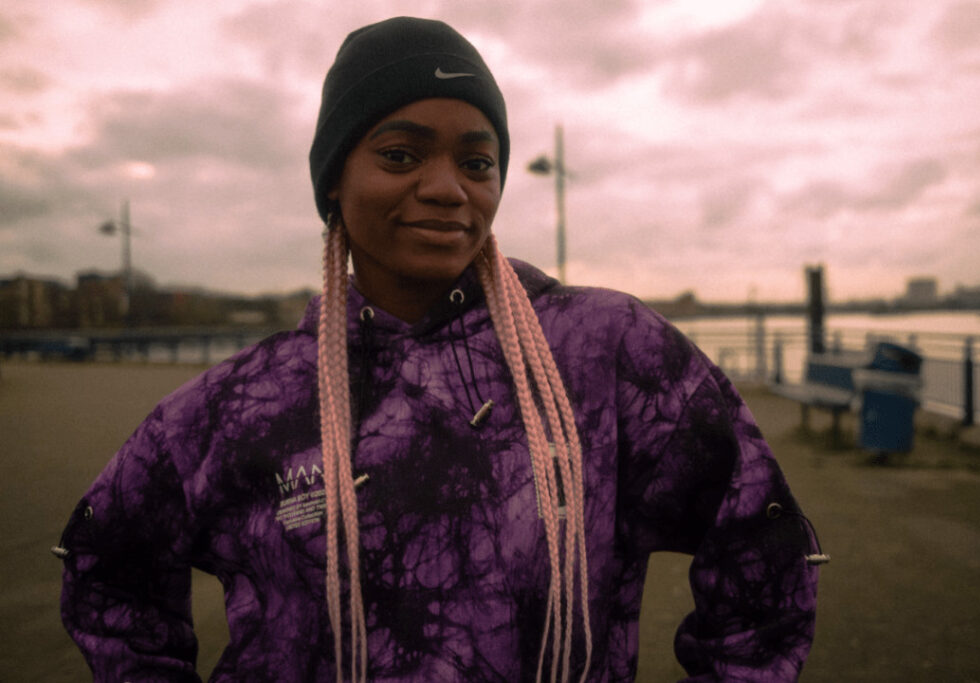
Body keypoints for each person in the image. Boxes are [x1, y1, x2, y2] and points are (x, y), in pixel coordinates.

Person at [57, 16, 821, 683]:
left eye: (477, 161)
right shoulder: (246, 402)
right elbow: (107, 564)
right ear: (333, 182)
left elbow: (765, 543)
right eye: (400, 154)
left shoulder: (606, 355)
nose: (449, 187)